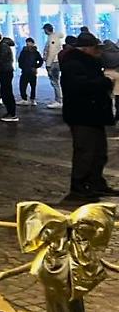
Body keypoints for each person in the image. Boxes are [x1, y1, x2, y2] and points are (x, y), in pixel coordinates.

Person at [61, 30, 117, 201]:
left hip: (93, 114)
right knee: (85, 152)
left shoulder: (88, 62)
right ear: (86, 49)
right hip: (82, 115)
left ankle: (95, 183)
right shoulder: (74, 64)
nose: (98, 51)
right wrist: (105, 81)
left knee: (99, 152)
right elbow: (80, 86)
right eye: (95, 48)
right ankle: (79, 188)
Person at [0, 36, 18, 121]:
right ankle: (10, 112)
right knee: (6, 91)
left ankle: (12, 114)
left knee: (7, 92)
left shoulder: (2, 46)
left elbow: (0, 59)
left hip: (5, 71)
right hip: (6, 71)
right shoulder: (4, 45)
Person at [18, 37, 44, 105]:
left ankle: (32, 99)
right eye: (27, 42)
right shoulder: (23, 51)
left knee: (33, 86)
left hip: (32, 71)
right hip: (25, 71)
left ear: (32, 43)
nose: (28, 44)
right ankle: (24, 98)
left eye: (29, 42)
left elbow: (40, 60)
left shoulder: (36, 52)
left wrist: (36, 66)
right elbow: (20, 60)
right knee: (22, 86)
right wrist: (22, 67)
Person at [44, 23, 64, 108]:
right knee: (56, 81)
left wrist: (48, 64)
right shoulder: (55, 37)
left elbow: (51, 52)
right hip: (56, 62)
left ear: (46, 30)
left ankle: (58, 100)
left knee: (55, 82)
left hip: (53, 63)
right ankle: (59, 99)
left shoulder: (52, 38)